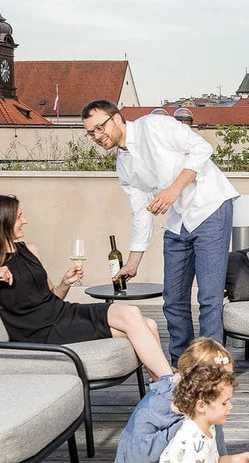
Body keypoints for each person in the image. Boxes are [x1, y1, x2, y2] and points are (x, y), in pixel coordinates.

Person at [0, 194, 172, 379]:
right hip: (39, 331)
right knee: (131, 314)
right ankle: (171, 383)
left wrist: (65, 282)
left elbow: (53, 296)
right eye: (19, 216)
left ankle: (160, 386)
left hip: (61, 315)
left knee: (147, 324)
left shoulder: (30, 250)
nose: (25, 220)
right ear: (2, 220)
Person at [80, 99, 239, 364]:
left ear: (117, 118)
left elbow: (202, 148)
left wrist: (173, 190)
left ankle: (213, 367)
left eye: (100, 127)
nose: (97, 136)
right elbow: (141, 212)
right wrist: (133, 262)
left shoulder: (154, 125)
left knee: (209, 298)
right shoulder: (123, 165)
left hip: (210, 207)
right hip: (178, 221)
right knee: (173, 300)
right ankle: (182, 365)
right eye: (91, 132)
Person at [107, 337, 232, 463]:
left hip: (136, 446)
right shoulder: (182, 399)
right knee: (206, 418)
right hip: (148, 447)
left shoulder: (177, 383)